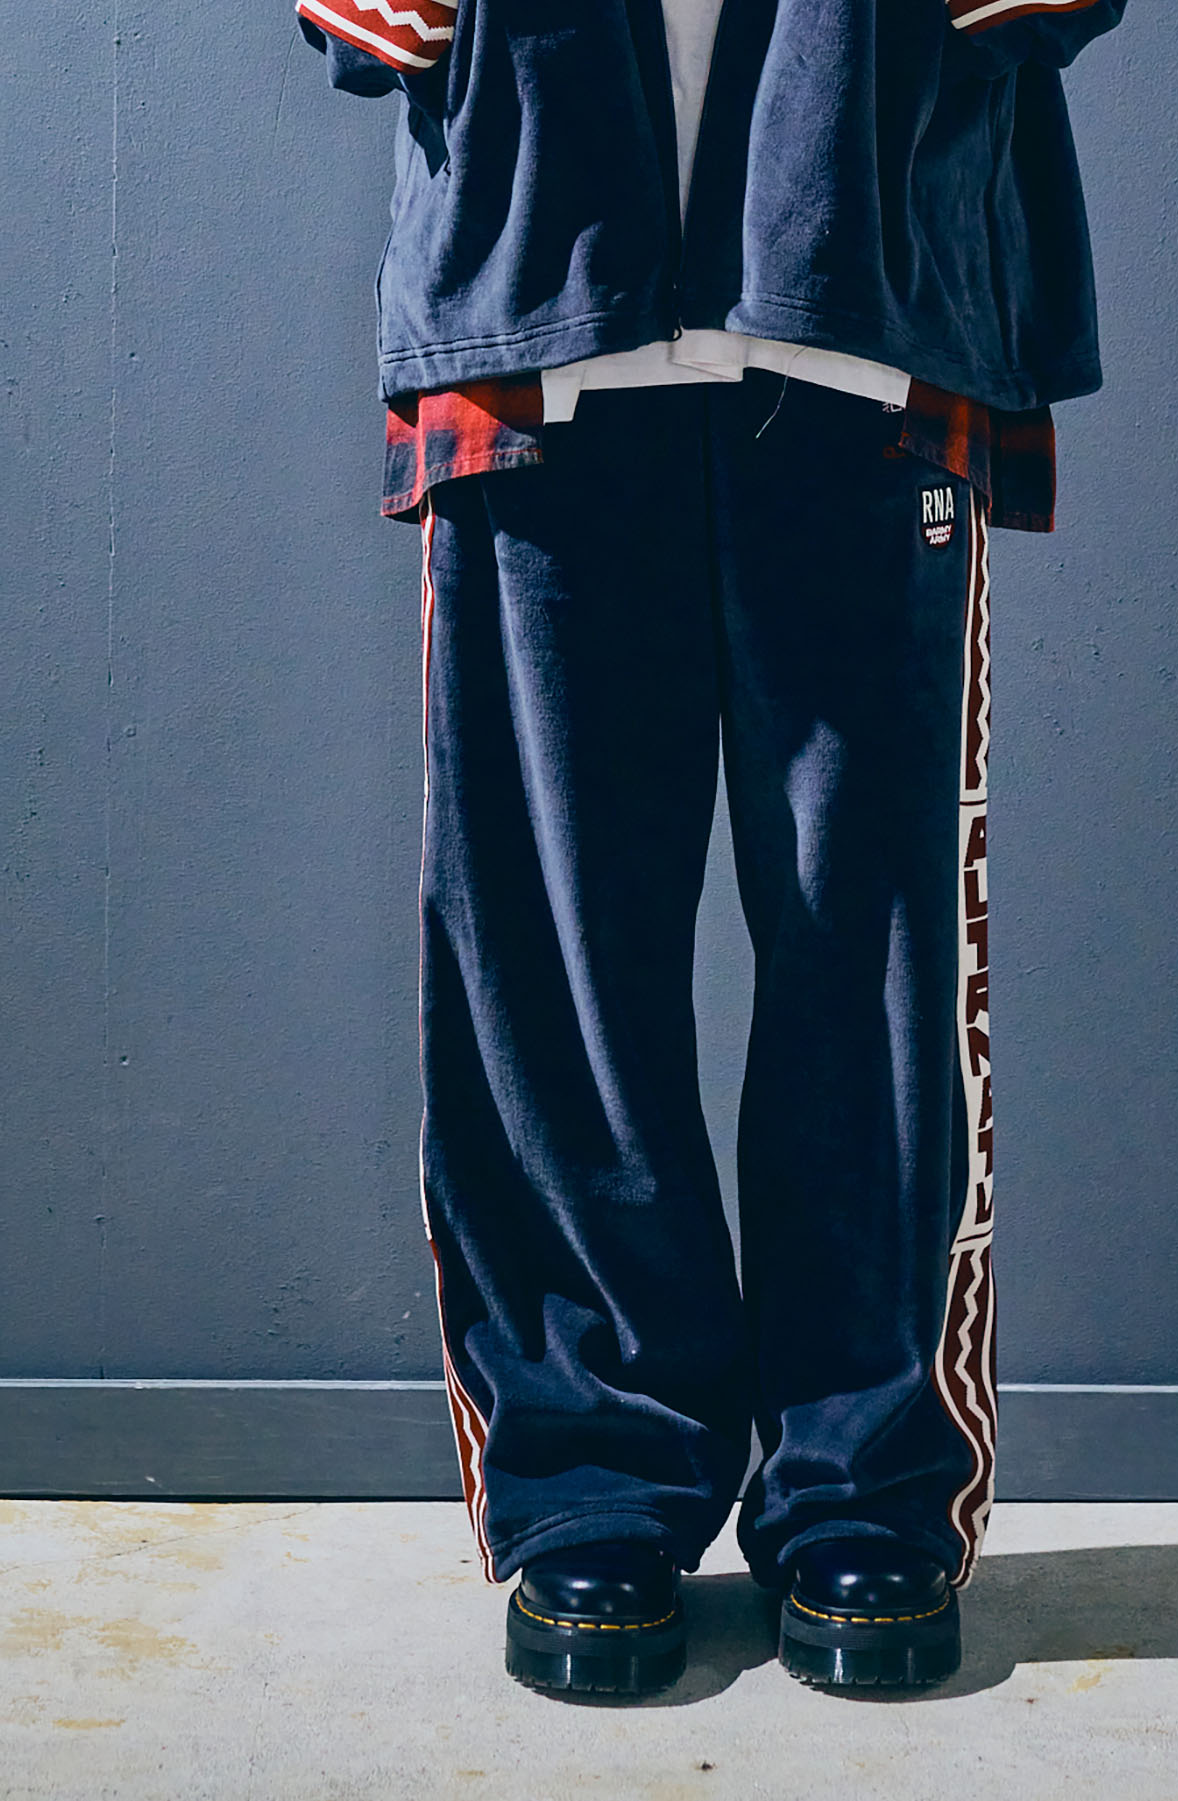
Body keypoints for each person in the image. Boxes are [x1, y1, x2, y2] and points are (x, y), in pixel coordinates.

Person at [295, 0, 1126, 1694]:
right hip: (543, 306)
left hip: (861, 300)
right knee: (554, 958)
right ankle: (592, 1472)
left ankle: (863, 1475)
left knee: (874, 954)